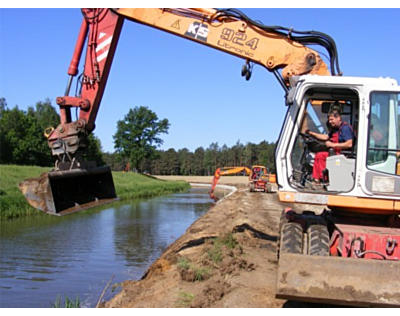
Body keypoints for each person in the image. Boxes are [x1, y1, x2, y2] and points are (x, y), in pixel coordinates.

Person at [306, 107, 354, 186]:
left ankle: (323, 180)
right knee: (318, 155)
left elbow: (349, 144)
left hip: (343, 155)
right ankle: (316, 179)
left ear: (338, 118)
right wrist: (311, 133)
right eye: (329, 120)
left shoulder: (345, 128)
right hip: (335, 153)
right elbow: (326, 137)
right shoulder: (335, 129)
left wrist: (332, 145)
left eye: (332, 119)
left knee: (321, 156)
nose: (330, 121)